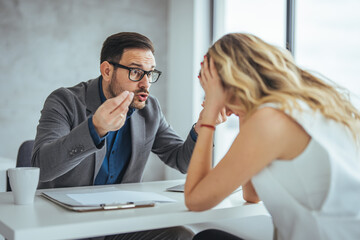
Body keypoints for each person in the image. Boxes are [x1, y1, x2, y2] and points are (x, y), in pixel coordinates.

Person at [32, 32, 225, 240]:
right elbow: (42, 168)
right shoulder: (65, 101)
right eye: (135, 72)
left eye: (150, 73)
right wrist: (95, 128)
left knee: (181, 236)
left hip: (120, 223)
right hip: (65, 224)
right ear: (107, 71)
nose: (146, 84)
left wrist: (203, 127)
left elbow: (182, 161)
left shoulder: (149, 109)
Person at [184, 33, 360, 240]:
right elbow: (252, 195)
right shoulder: (305, 106)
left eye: (211, 91)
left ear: (229, 84)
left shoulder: (270, 120)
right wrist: (243, 113)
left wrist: (209, 117)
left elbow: (196, 200)